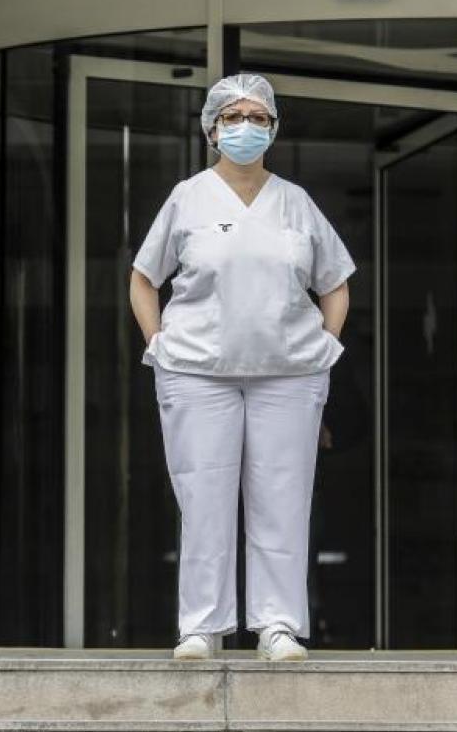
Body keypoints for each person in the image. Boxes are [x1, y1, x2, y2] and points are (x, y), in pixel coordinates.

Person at [127, 73, 356, 661]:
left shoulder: (296, 202)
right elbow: (143, 280)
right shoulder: (187, 197)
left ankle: (276, 626)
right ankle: (202, 627)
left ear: (274, 129)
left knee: (282, 494)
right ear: (212, 128)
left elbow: (335, 285)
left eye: (259, 118)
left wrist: (323, 349)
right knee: (203, 496)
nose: (246, 127)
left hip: (286, 373)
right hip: (198, 370)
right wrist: (159, 344)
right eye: (234, 117)